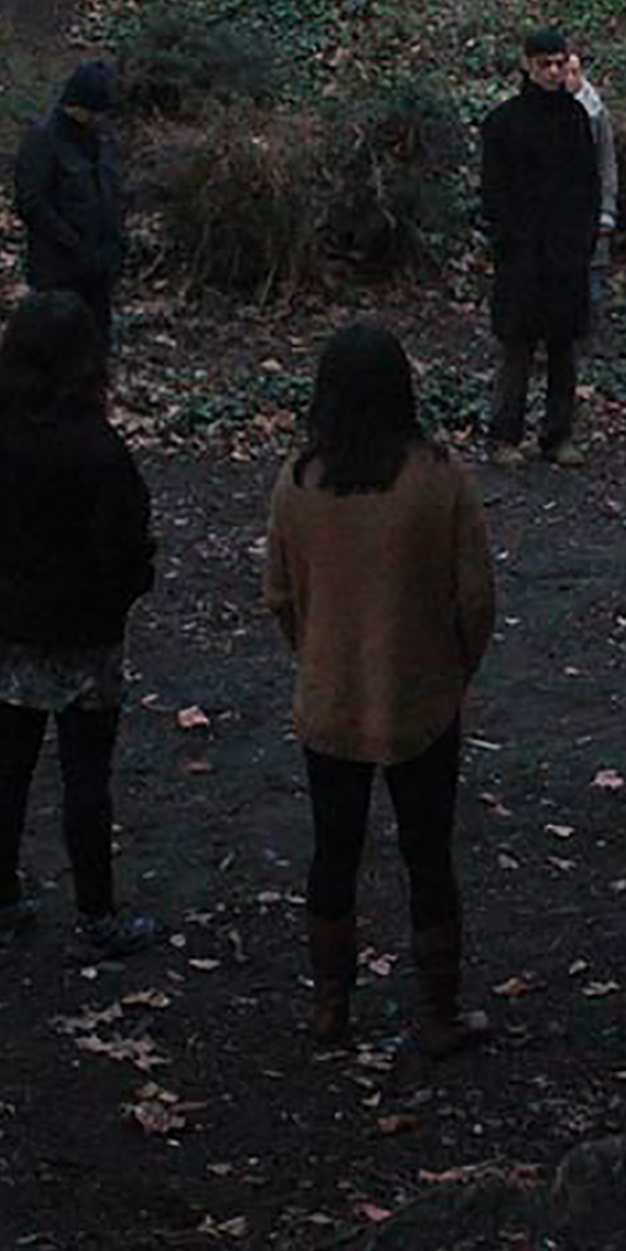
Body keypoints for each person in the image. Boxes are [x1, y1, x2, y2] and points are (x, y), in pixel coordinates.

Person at [265, 323, 498, 1051]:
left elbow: (279, 594)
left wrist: (316, 652)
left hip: (331, 695)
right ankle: (439, 1008)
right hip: (420, 695)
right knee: (429, 852)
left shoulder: (299, 483)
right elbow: (476, 598)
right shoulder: (441, 478)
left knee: (333, 850)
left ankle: (331, 1006)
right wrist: (457, 666)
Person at [0, 291, 161, 958]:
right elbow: (126, 549)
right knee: (86, 774)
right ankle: (97, 913)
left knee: (7, 760)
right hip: (84, 632)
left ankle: (0, 895)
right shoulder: (98, 451)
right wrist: (124, 589)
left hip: (6, 622)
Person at [477, 28, 598, 466]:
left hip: (566, 253)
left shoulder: (576, 119)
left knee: (563, 349)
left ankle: (557, 435)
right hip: (523, 253)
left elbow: (589, 185)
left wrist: (584, 240)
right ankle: (504, 436)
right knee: (517, 347)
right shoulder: (503, 123)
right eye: (544, 63)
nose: (551, 72)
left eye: (558, 63)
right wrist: (509, 240)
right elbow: (492, 192)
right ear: (527, 64)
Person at [13, 58, 128, 353]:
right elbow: (31, 203)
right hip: (59, 270)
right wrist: (73, 244)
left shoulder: (101, 137)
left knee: (96, 345)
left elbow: (112, 188)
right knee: (57, 349)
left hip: (100, 266)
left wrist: (116, 239)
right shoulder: (43, 140)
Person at [562, 43, 618, 326]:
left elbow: (607, 162)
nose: (571, 78)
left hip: (589, 204)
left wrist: (607, 208)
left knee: (593, 272)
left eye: (576, 71)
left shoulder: (596, 113)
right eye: (566, 71)